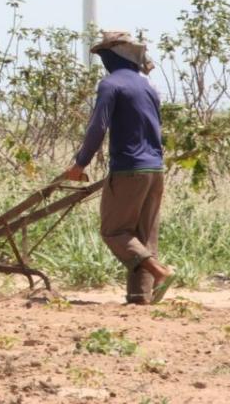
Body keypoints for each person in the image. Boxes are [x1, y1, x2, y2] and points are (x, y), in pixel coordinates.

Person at [63, 31, 175, 304]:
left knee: (114, 231)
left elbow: (97, 127)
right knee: (143, 236)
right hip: (155, 169)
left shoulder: (110, 85)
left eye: (103, 55)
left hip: (128, 168)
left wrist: (80, 163)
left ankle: (160, 272)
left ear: (113, 55)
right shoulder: (148, 86)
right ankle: (140, 296)